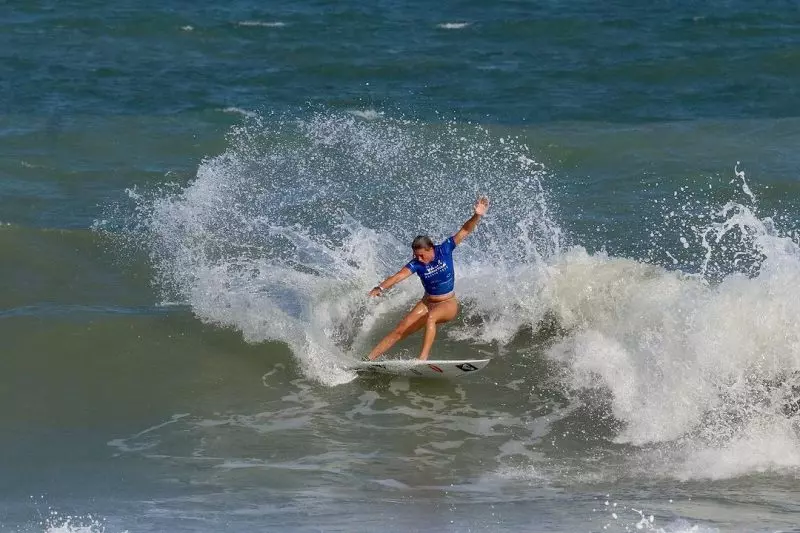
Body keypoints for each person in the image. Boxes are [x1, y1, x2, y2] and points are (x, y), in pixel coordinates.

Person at [366, 196, 489, 361]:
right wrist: (380, 288)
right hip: (427, 302)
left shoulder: (444, 250)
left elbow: (465, 231)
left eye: (421, 255)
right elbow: (398, 276)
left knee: (431, 317)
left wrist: (477, 216)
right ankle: (369, 360)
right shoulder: (417, 264)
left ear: (430, 248)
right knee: (400, 330)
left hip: (447, 304)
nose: (418, 259)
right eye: (415, 256)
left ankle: (422, 359)